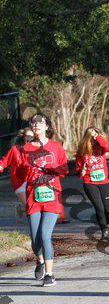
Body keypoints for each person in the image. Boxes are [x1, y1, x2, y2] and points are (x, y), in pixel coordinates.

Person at [18, 113, 68, 286]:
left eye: (40, 122)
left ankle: (49, 274)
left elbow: (64, 169)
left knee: (45, 235)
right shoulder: (25, 149)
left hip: (52, 196)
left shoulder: (56, 147)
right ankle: (39, 260)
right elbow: (21, 172)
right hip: (34, 197)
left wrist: (49, 167)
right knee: (35, 239)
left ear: (47, 126)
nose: (36, 124)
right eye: (33, 122)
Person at [75, 127, 109, 240]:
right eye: (91, 137)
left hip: (104, 182)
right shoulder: (82, 150)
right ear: (87, 138)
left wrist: (97, 137)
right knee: (99, 208)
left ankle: (105, 219)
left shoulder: (101, 147)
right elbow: (78, 169)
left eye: (95, 136)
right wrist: (81, 171)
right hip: (89, 183)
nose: (93, 139)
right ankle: (104, 230)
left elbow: (108, 147)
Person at [0, 127, 34, 218]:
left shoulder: (37, 150)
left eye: (32, 137)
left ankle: (21, 209)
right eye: (27, 136)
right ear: (23, 137)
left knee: (36, 205)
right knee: (30, 207)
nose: (29, 139)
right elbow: (4, 161)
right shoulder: (15, 149)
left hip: (32, 180)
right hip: (18, 182)